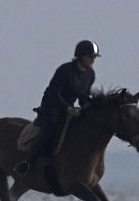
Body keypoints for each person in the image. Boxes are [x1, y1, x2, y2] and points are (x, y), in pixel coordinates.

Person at [13, 40, 100, 177]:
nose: (93, 60)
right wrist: (67, 108)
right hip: (51, 108)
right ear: (81, 56)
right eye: (90, 56)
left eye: (94, 57)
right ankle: (27, 163)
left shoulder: (90, 74)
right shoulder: (65, 70)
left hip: (70, 110)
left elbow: (83, 97)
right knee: (50, 130)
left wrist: (89, 109)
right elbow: (53, 93)